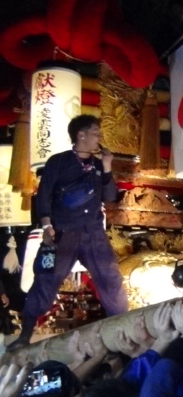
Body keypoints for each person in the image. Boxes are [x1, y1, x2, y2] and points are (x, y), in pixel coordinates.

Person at [10, 115, 128, 348]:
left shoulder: (97, 164)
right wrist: (46, 225)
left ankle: (122, 327)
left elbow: (110, 196)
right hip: (62, 231)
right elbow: (44, 194)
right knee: (46, 278)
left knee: (110, 276)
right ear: (81, 135)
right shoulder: (59, 162)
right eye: (95, 132)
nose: (98, 137)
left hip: (93, 232)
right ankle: (25, 334)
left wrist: (106, 168)